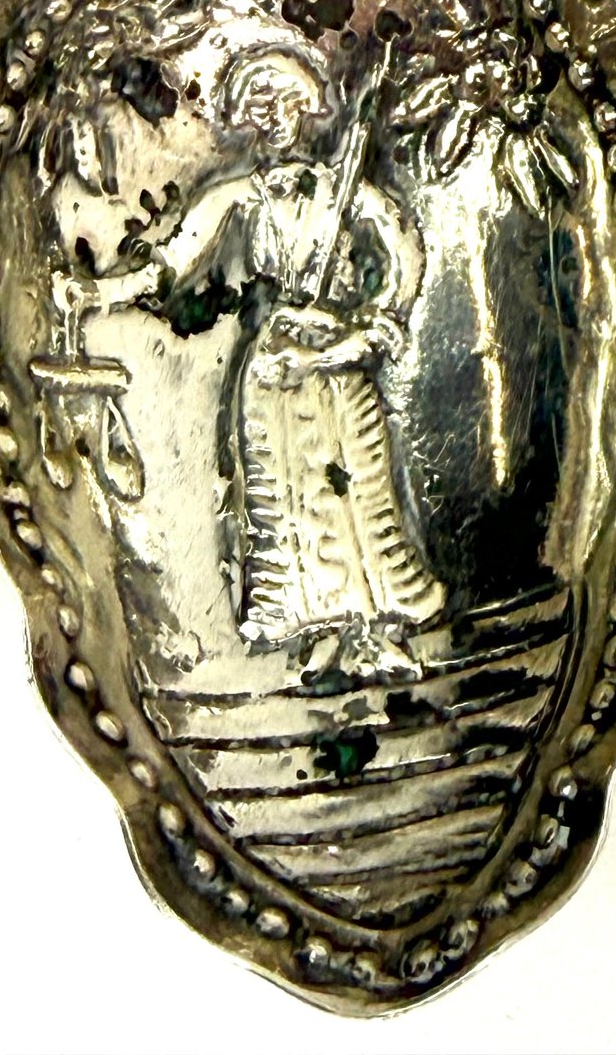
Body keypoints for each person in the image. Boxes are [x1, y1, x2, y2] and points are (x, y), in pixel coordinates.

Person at [68, 45, 444, 681]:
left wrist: (382, 315)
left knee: (359, 492)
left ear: (304, 111)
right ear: (250, 121)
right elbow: (173, 263)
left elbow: (403, 243)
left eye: (284, 106)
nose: (274, 120)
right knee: (287, 502)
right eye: (261, 109)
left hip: (335, 359)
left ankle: (377, 629)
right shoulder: (240, 195)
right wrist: (101, 293)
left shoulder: (340, 191)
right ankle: (318, 632)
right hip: (273, 369)